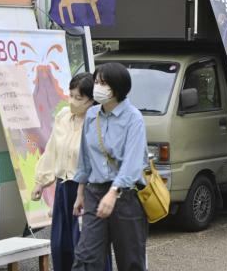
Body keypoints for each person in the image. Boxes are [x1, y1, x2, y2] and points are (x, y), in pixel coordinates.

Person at [72, 63, 149, 271]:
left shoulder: (134, 118)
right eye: (96, 82)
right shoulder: (91, 115)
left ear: (118, 87)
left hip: (125, 196)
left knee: (130, 258)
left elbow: (133, 164)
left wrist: (113, 192)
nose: (97, 87)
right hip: (95, 193)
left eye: (103, 83)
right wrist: (80, 192)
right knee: (86, 256)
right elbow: (85, 157)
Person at [32, 73, 111, 271]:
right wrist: (40, 181)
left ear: (91, 101)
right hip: (63, 189)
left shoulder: (97, 122)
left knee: (85, 248)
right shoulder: (63, 116)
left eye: (79, 98)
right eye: (71, 95)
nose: (72, 101)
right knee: (60, 245)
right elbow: (51, 149)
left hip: (87, 191)